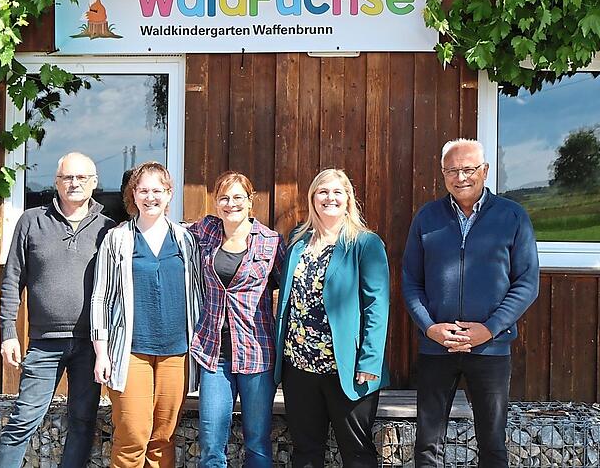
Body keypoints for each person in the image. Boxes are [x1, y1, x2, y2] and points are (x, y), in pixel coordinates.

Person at [402, 138, 540, 468]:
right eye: (453, 170)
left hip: (490, 349)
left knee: (492, 444)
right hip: (437, 347)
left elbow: (527, 283)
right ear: (442, 174)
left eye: (469, 169)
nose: (461, 177)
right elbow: (410, 281)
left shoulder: (513, 216)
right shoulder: (427, 218)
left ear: (485, 171)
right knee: (427, 444)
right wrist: (430, 327)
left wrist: (490, 329)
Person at [0, 152, 116, 468]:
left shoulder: (109, 229)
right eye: (67, 177)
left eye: (81, 177)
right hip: (44, 344)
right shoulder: (31, 221)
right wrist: (8, 333)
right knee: (25, 418)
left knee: (82, 420)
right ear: (56, 182)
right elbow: (12, 281)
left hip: (91, 344)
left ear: (94, 182)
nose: (74, 183)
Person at [89, 161, 203, 468]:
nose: (150, 197)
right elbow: (100, 297)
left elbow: (200, 294)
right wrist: (102, 353)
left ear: (168, 194)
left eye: (157, 190)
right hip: (130, 351)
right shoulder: (118, 238)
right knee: (133, 436)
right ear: (133, 195)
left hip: (176, 352)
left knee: (163, 437)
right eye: (143, 190)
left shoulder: (186, 240)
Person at [274, 168, 390, 468]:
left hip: (347, 367)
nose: (330, 197)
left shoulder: (365, 243)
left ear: (348, 199)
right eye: (323, 191)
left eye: (338, 192)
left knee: (357, 452)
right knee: (306, 450)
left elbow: (377, 306)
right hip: (298, 368)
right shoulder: (298, 240)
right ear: (313, 198)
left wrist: (369, 361)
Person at [188, 171, 286, 468]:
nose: (231, 204)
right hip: (214, 353)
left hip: (257, 353)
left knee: (257, 441)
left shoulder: (270, 242)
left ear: (250, 200)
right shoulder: (205, 231)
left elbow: (290, 286)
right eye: (224, 198)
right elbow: (168, 236)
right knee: (211, 443)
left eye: (238, 197)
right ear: (216, 203)